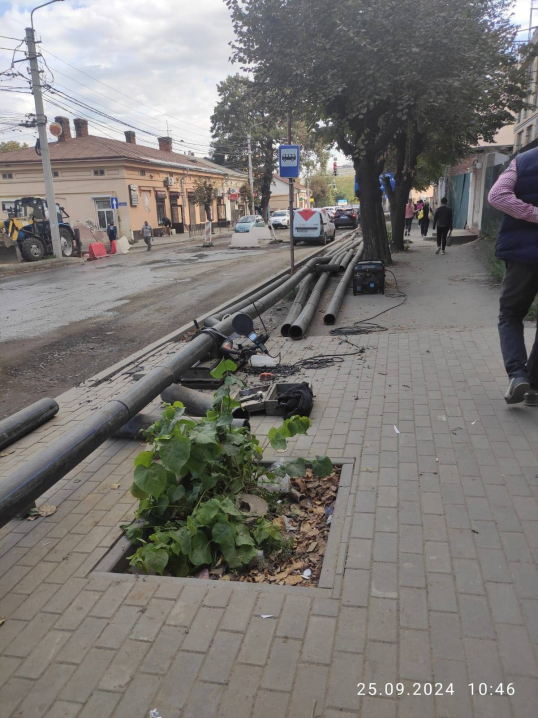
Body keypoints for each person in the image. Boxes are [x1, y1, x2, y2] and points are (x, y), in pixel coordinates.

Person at [488, 147, 538, 406]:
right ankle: (535, 388)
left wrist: (533, 214)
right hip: (522, 252)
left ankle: (519, 376)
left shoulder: (524, 161)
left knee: (510, 315)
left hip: (521, 255)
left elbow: (497, 196)